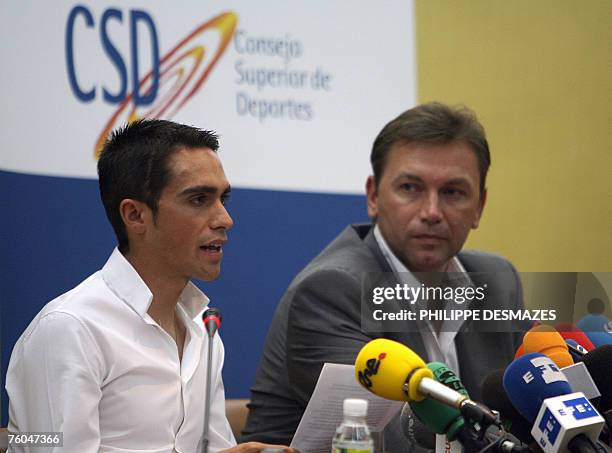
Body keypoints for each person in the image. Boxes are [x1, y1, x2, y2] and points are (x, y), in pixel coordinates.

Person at [241, 102, 528, 449]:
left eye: (453, 192)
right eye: (410, 188)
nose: (431, 212)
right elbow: (390, 438)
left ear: (479, 206)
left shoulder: (497, 280)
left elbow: (522, 414)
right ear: (374, 196)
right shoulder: (331, 288)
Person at [6, 120, 292, 453]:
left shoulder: (203, 329)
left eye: (222, 199)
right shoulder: (71, 329)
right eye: (199, 199)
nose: (224, 219)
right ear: (135, 215)